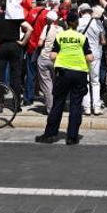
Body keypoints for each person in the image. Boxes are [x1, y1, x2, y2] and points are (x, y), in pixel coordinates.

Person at [35, 10, 92, 145]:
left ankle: (50, 134)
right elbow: (89, 57)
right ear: (77, 23)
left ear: (66, 23)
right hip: (79, 72)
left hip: (63, 73)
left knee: (58, 103)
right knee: (76, 105)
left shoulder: (60, 37)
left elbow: (53, 56)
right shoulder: (82, 38)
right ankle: (72, 136)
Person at [78, 4, 105, 115]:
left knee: (85, 80)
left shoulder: (78, 22)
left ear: (81, 12)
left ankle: (87, 107)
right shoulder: (98, 23)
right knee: (95, 80)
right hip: (95, 53)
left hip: (81, 54)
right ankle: (97, 106)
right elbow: (103, 41)